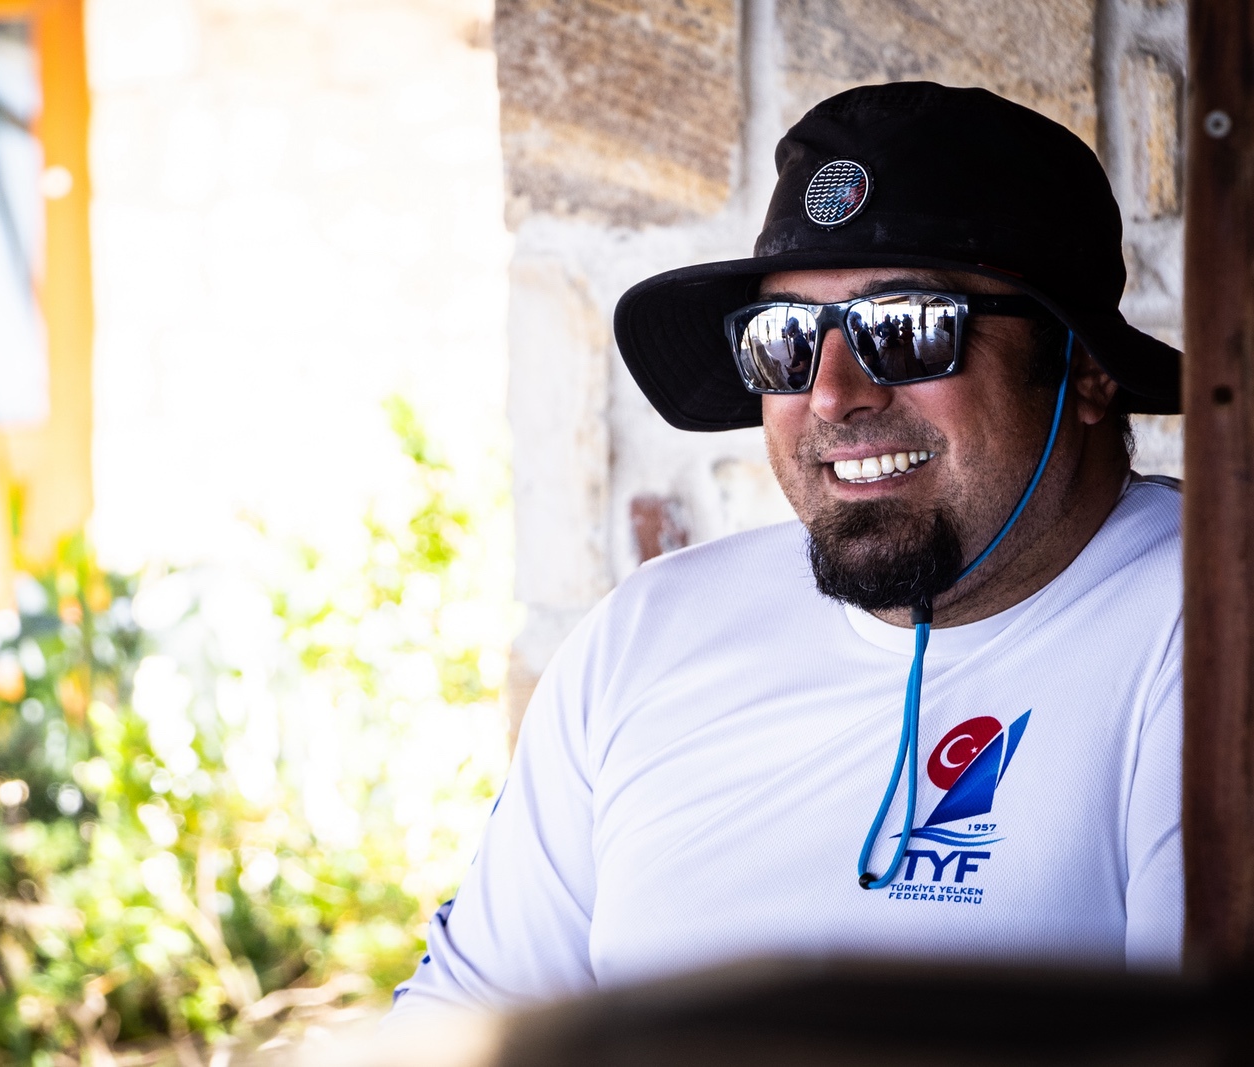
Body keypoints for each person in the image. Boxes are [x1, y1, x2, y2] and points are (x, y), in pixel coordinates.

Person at [390, 82, 1182, 1018]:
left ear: (1084, 368)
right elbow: (464, 1020)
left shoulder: (1203, 624)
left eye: (907, 327)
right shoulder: (646, 634)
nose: (833, 393)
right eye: (787, 339)